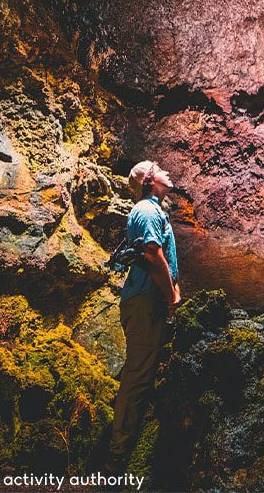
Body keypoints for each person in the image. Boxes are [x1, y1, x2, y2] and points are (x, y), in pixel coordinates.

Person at [107, 161, 182, 470]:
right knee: (137, 376)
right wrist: (172, 295)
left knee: (143, 371)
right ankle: (117, 455)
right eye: (159, 168)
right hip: (144, 302)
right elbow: (152, 253)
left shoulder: (152, 211)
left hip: (146, 301)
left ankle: (127, 442)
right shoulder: (147, 211)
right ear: (150, 180)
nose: (167, 171)